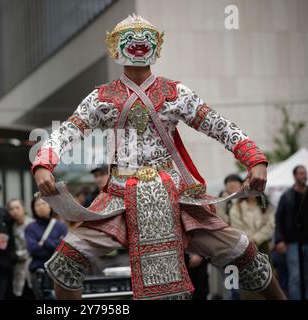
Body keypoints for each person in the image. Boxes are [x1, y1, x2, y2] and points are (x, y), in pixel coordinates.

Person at [31, 14, 286, 299]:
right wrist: (43, 163)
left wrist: (255, 159)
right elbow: (67, 131)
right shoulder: (101, 97)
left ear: (157, 46)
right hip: (118, 199)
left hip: (176, 196)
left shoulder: (176, 92)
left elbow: (219, 125)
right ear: (116, 47)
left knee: (244, 251)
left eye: (146, 38)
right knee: (67, 260)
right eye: (131, 38)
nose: (139, 43)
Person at [230, 195, 275, 299]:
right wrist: (249, 240)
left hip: (263, 247)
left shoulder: (265, 205)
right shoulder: (237, 208)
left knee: (267, 280)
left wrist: (256, 239)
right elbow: (236, 229)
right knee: (248, 282)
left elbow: (270, 226)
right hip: (245, 249)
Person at [275, 165, 308, 300]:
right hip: (292, 242)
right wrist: (279, 240)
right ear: (294, 176)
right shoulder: (287, 196)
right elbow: (279, 219)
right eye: (300, 173)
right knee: (295, 276)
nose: (303, 176)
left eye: (305, 173)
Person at [25, 198, 67, 299]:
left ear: (50, 206)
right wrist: (55, 244)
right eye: (37, 205)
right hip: (39, 272)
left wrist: (44, 243)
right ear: (33, 208)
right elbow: (33, 249)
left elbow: (64, 249)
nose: (41, 207)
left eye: (44, 203)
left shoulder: (60, 226)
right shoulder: (30, 228)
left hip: (58, 272)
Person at [7, 198, 35, 299]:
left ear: (23, 209)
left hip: (32, 265)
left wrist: (17, 254)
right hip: (17, 269)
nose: (14, 211)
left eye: (17, 208)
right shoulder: (10, 227)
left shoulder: (33, 224)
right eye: (11, 209)